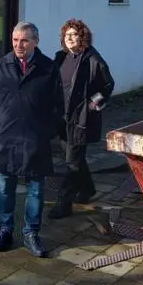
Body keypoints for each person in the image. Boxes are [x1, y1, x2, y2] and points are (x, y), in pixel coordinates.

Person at [0, 21, 63, 258]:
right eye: (15, 40)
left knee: (36, 191)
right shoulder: (2, 65)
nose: (19, 45)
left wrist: (46, 131)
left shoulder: (48, 68)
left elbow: (59, 107)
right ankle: (5, 231)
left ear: (36, 42)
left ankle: (31, 233)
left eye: (24, 40)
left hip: (35, 139)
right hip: (6, 138)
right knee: (5, 189)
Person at [48, 18, 115, 219]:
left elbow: (108, 85)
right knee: (74, 158)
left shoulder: (93, 59)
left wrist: (93, 105)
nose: (69, 38)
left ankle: (64, 203)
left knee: (72, 163)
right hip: (62, 118)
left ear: (82, 37)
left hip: (81, 120)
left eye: (74, 34)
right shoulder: (60, 57)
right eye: (66, 34)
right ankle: (87, 189)